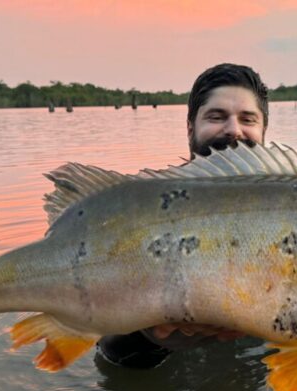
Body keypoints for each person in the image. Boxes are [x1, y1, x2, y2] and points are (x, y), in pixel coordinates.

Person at [96, 63, 270, 368]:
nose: (233, 129)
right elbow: (108, 352)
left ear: (263, 132)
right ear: (190, 128)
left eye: (248, 119)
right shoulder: (142, 215)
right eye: (216, 117)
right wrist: (151, 339)